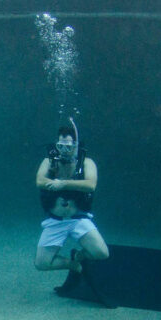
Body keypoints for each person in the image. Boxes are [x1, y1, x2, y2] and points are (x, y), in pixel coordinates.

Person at [34, 120, 109, 293]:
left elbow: (91, 184)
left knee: (102, 253)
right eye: (61, 146)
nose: (64, 151)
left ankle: (79, 255)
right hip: (56, 220)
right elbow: (39, 181)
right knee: (41, 264)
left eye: (69, 147)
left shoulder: (86, 162)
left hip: (78, 219)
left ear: (76, 145)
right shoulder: (50, 161)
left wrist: (63, 184)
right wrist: (57, 182)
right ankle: (73, 264)